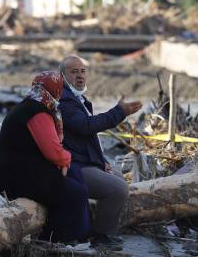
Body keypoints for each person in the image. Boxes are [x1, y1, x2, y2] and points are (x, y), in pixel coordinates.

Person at [0, 71, 90, 243]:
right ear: (56, 90)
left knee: (76, 178)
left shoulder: (31, 104)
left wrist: (64, 161)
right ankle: (55, 240)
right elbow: (53, 151)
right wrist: (65, 160)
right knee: (75, 193)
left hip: (19, 171)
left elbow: (53, 150)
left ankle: (78, 235)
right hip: (17, 177)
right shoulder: (38, 112)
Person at [58, 55, 142, 250]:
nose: (80, 76)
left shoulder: (79, 100)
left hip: (81, 160)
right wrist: (119, 112)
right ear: (62, 76)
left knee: (119, 177)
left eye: (82, 71)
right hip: (72, 165)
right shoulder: (64, 100)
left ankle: (98, 228)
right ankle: (101, 236)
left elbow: (88, 138)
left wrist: (101, 160)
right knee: (117, 189)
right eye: (73, 72)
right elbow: (86, 127)